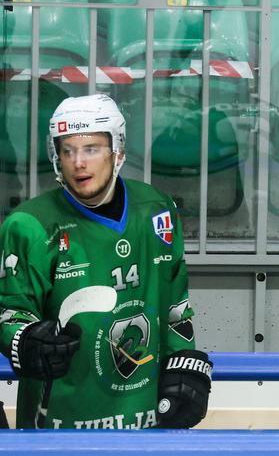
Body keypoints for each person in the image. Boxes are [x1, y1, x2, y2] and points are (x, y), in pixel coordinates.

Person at [0, 94, 212, 429]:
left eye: (91, 149)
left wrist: (183, 362)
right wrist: (25, 340)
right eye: (67, 150)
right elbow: (10, 310)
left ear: (119, 151)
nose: (78, 162)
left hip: (145, 418)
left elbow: (175, 303)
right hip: (58, 423)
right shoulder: (29, 225)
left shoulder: (156, 210)